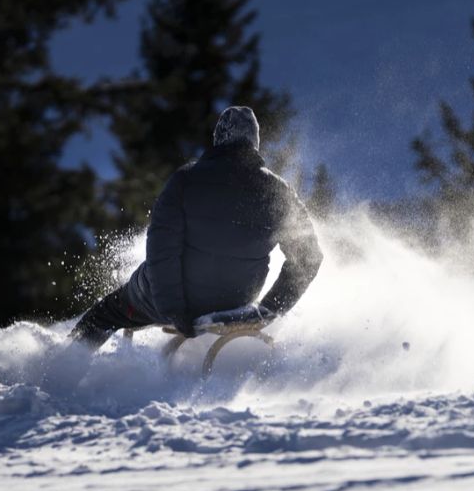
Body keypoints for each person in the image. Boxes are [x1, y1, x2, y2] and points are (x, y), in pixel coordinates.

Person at [70, 106, 323, 347]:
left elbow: (161, 252)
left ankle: (59, 370)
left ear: (218, 139)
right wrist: (268, 310)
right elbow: (310, 257)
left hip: (173, 304)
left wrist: (174, 310)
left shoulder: (185, 180)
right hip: (235, 302)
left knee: (107, 312)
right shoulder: (279, 191)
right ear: (254, 142)